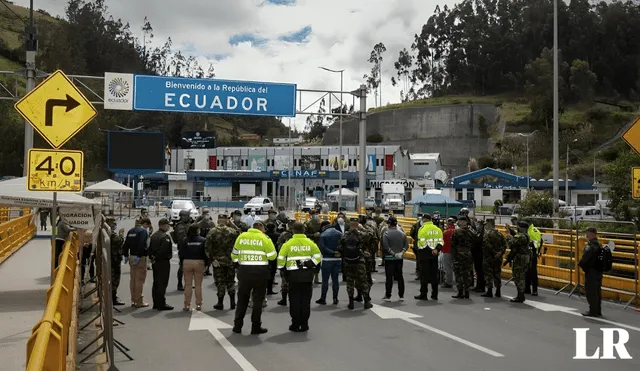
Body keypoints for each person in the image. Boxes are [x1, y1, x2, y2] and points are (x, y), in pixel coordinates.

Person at [232, 220, 277, 335]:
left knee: (242, 299)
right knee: (258, 301)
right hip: (260, 273)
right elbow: (272, 256)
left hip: (244, 272)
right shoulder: (265, 239)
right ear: (261, 228)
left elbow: (234, 255)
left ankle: (237, 326)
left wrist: (239, 265)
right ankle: (255, 326)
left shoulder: (242, 237)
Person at [278, 222, 322, 332]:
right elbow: (318, 258)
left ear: (293, 230)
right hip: (307, 276)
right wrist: (311, 266)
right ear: (304, 230)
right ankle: (305, 324)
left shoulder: (288, 244)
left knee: (294, 301)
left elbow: (280, 261)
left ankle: (295, 324)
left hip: (293, 277)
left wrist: (284, 273)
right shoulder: (311, 243)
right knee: (305, 301)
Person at [338, 217, 373, 310]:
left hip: (348, 262)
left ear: (349, 224)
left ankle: (351, 302)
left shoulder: (345, 235)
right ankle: (366, 301)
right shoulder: (361, 234)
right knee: (363, 280)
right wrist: (362, 228)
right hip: (359, 261)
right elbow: (371, 235)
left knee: (350, 282)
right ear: (357, 224)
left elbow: (340, 248)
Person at [206, 214, 240, 310]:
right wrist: (233, 225)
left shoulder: (212, 232)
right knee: (230, 281)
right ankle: (232, 302)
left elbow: (207, 247)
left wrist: (211, 259)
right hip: (230, 261)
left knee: (220, 282)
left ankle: (220, 303)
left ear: (218, 221)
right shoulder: (232, 231)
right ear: (226, 221)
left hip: (218, 262)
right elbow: (240, 235)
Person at [123, 217, 152, 308]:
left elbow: (125, 244)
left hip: (131, 256)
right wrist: (139, 256)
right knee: (140, 280)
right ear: (145, 224)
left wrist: (126, 255)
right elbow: (142, 244)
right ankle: (139, 301)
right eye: (148, 226)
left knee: (133, 279)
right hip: (140, 258)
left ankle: (133, 300)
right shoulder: (143, 232)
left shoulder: (131, 231)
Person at [414, 214, 444, 300]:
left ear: (425, 220)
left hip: (425, 255)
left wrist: (430, 250)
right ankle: (434, 295)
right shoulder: (437, 229)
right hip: (435, 255)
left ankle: (423, 294)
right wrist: (436, 250)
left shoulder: (422, 229)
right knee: (434, 275)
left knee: (424, 275)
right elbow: (441, 241)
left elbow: (422, 242)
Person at [180, 225, 208, 311]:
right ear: (197, 230)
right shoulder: (203, 240)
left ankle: (186, 305)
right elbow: (205, 253)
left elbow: (181, 252)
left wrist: (182, 263)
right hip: (199, 262)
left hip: (187, 262)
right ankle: (198, 304)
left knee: (188, 284)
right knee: (198, 285)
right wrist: (206, 264)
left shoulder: (185, 240)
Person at [503, 221, 531, 303]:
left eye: (518, 226)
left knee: (518, 277)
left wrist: (508, 237)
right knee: (520, 276)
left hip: (520, 259)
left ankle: (520, 295)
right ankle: (520, 294)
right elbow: (516, 235)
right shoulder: (524, 235)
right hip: (523, 258)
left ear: (521, 228)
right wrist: (510, 230)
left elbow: (511, 244)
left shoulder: (521, 237)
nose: (517, 228)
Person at [149, 218, 174, 310]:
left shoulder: (154, 235)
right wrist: (158, 257)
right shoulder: (164, 237)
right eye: (167, 225)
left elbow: (150, 249)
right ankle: (161, 303)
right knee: (162, 283)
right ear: (163, 225)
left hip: (155, 262)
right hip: (163, 262)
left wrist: (153, 258)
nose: (168, 227)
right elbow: (163, 251)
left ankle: (156, 303)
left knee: (156, 282)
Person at [381, 217, 407, 301]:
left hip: (389, 258)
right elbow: (406, 245)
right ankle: (401, 295)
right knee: (400, 277)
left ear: (389, 224)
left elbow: (385, 246)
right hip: (399, 258)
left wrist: (393, 253)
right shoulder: (402, 233)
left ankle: (388, 295)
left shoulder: (386, 233)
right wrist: (401, 253)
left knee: (389, 277)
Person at [579, 227, 603, 317]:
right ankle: (597, 310)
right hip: (598, 271)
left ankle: (593, 311)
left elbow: (585, 258)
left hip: (592, 271)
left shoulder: (591, 246)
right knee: (597, 291)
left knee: (591, 291)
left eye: (587, 233)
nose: (586, 235)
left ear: (591, 234)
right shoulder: (599, 244)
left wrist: (580, 264)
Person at [317, 220, 342, 305]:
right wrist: (337, 252)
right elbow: (342, 245)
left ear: (323, 226)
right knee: (335, 280)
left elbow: (322, 247)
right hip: (337, 259)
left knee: (325, 280)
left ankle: (323, 298)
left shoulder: (323, 234)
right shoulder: (339, 233)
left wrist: (331, 252)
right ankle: (335, 298)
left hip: (327, 259)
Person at [480, 219, 506, 298]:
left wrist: (494, 252)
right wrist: (500, 253)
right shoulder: (500, 234)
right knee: (497, 273)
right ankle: (498, 290)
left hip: (489, 257)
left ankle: (489, 291)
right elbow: (504, 245)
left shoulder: (487, 234)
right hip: (498, 258)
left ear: (489, 223)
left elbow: (486, 245)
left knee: (488, 273)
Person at [450, 216, 474, 299]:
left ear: (463, 222)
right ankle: (467, 292)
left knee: (458, 274)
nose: (458, 222)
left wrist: (453, 255)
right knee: (467, 274)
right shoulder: (471, 231)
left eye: (460, 221)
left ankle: (460, 292)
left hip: (459, 254)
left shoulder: (457, 232)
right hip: (468, 254)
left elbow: (453, 244)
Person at [276, 218, 296, 306]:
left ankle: (284, 299)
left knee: (285, 281)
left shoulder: (284, 234)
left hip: (286, 260)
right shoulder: (299, 235)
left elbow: (279, 247)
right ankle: (290, 299)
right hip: (295, 261)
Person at [106, 218, 125, 305]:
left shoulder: (106, 232)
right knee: (115, 280)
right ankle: (113, 299)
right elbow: (119, 241)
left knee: (112, 280)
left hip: (112, 259)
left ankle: (113, 297)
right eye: (113, 223)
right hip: (114, 260)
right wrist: (121, 235)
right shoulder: (112, 234)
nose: (115, 225)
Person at [172, 209, 191, 291]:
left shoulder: (187, 224)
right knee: (182, 266)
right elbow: (182, 239)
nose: (189, 217)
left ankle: (188, 282)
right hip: (184, 248)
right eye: (187, 216)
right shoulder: (180, 226)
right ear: (183, 217)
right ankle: (179, 283)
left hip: (189, 248)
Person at [525, 222, 544, 296]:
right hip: (532, 254)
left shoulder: (532, 231)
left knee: (532, 273)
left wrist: (536, 252)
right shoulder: (532, 230)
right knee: (527, 272)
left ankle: (534, 290)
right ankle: (527, 288)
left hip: (532, 255)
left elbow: (536, 243)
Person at [197, 209, 216, 276]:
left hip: (210, 242)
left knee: (209, 257)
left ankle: (207, 270)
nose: (207, 216)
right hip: (202, 242)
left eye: (208, 214)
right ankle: (203, 270)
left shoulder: (212, 223)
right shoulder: (199, 223)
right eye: (206, 214)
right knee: (203, 257)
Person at [265, 222, 280, 295]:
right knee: (272, 272)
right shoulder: (277, 235)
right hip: (274, 255)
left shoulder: (264, 235)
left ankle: (265, 288)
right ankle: (269, 289)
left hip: (265, 255)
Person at [440, 218, 456, 288]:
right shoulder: (456, 231)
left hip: (447, 250)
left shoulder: (446, 232)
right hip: (456, 251)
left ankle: (448, 282)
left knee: (448, 267)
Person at [410, 213, 424, 281]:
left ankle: (419, 274)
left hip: (418, 245)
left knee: (419, 261)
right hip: (424, 246)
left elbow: (411, 234)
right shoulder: (427, 225)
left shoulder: (415, 225)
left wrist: (416, 239)